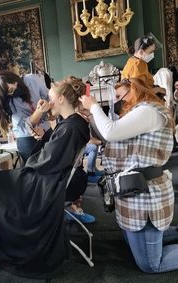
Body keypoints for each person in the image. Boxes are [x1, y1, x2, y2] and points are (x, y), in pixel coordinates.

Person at [0, 76, 90, 278]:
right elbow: (51, 154)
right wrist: (45, 138)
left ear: (62, 99)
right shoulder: (71, 123)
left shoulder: (70, 127)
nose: (48, 103)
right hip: (52, 177)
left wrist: (35, 156)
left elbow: (46, 160)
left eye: (52, 99)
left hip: (49, 182)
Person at [80, 78, 178, 273]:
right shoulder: (138, 113)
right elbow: (110, 136)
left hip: (146, 194)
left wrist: (94, 107)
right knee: (134, 241)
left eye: (119, 96)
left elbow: (110, 132)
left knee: (150, 264)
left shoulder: (148, 111)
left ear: (134, 89)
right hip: (133, 193)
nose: (117, 101)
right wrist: (91, 116)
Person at [0, 70, 51, 163]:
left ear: (13, 79)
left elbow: (49, 98)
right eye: (7, 93)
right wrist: (39, 111)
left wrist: (49, 109)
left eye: (10, 90)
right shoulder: (9, 100)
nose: (11, 94)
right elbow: (25, 125)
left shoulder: (32, 80)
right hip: (26, 137)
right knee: (34, 171)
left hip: (45, 129)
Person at [121, 34, 166, 98]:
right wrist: (159, 89)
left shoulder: (131, 61)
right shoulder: (139, 64)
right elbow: (140, 92)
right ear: (141, 52)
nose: (152, 54)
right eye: (151, 52)